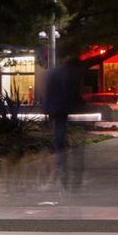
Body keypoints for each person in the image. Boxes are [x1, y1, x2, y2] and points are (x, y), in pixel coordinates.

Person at [42, 51, 87, 190]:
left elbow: (47, 91)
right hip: (64, 107)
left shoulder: (53, 72)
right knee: (66, 135)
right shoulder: (69, 73)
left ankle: (61, 166)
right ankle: (63, 167)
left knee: (59, 137)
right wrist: (80, 103)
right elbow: (70, 91)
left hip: (54, 108)